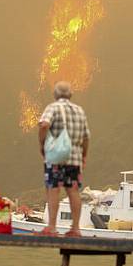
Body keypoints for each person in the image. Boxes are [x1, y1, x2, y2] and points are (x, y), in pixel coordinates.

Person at [37, 81, 90, 237]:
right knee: (73, 190)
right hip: (75, 159)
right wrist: (84, 155)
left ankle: (52, 227)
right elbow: (86, 137)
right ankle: (75, 228)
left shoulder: (52, 107)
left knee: (53, 188)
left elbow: (44, 125)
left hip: (56, 157)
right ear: (70, 95)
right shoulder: (79, 111)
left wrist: (42, 144)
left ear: (55, 94)